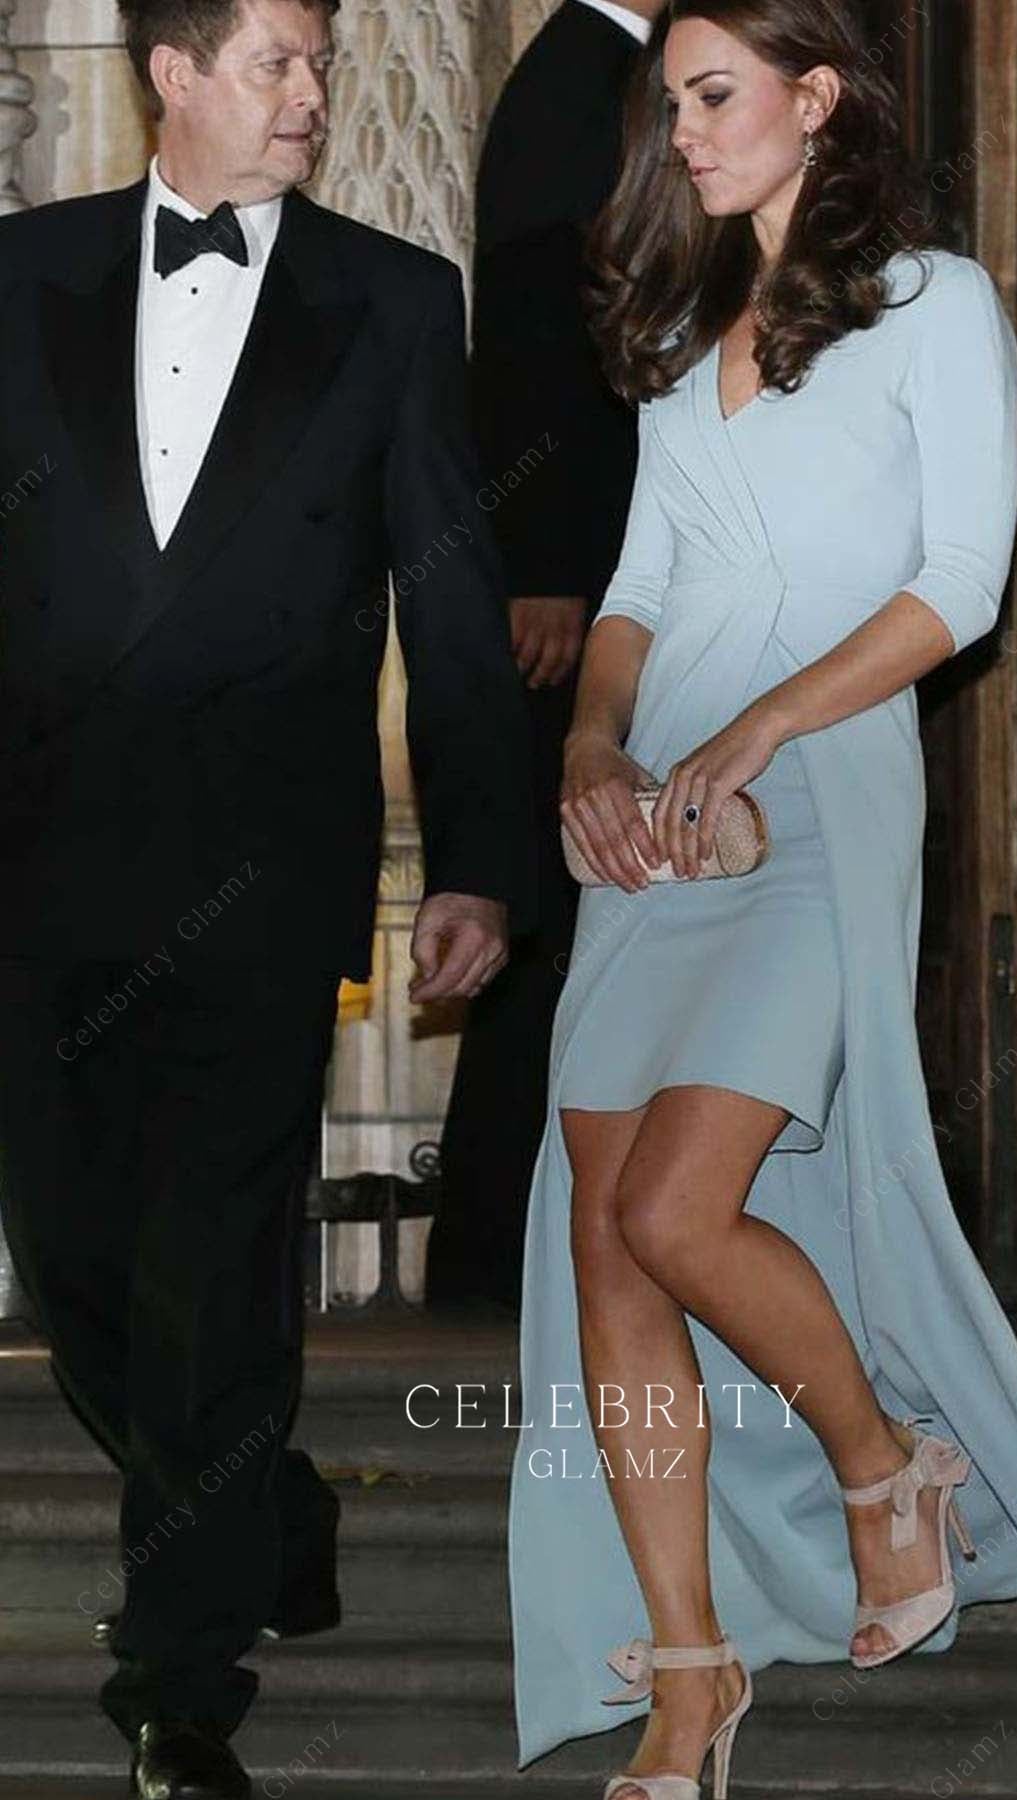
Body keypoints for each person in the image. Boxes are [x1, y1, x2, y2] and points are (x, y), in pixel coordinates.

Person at [506, 3, 1017, 1796]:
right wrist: (592, 745)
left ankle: (885, 1467)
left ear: (816, 98)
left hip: (816, 794)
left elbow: (957, 586)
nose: (683, 132)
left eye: (715, 95)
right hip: (658, 816)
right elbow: (637, 586)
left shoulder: (935, 305)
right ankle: (688, 1674)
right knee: (606, 1238)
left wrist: (759, 727)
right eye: (670, 103)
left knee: (677, 1206)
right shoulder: (679, 332)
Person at [0, 1, 535, 1795]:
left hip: (263, 869)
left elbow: (451, 596)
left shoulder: (392, 301)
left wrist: (478, 860)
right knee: (74, 1255)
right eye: (277, 63)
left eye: (321, 63)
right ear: (172, 71)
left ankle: (179, 1681)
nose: (313, 94)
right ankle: (267, 1503)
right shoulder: (22, 276)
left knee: (217, 1263)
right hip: (40, 862)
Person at [426, 0, 666, 1312]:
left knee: (584, 910)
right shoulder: (581, 72)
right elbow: (529, 334)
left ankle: (530, 1246)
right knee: (549, 906)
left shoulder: (617, 66)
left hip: (608, 569)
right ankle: (489, 1251)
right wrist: (548, 568)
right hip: (573, 581)